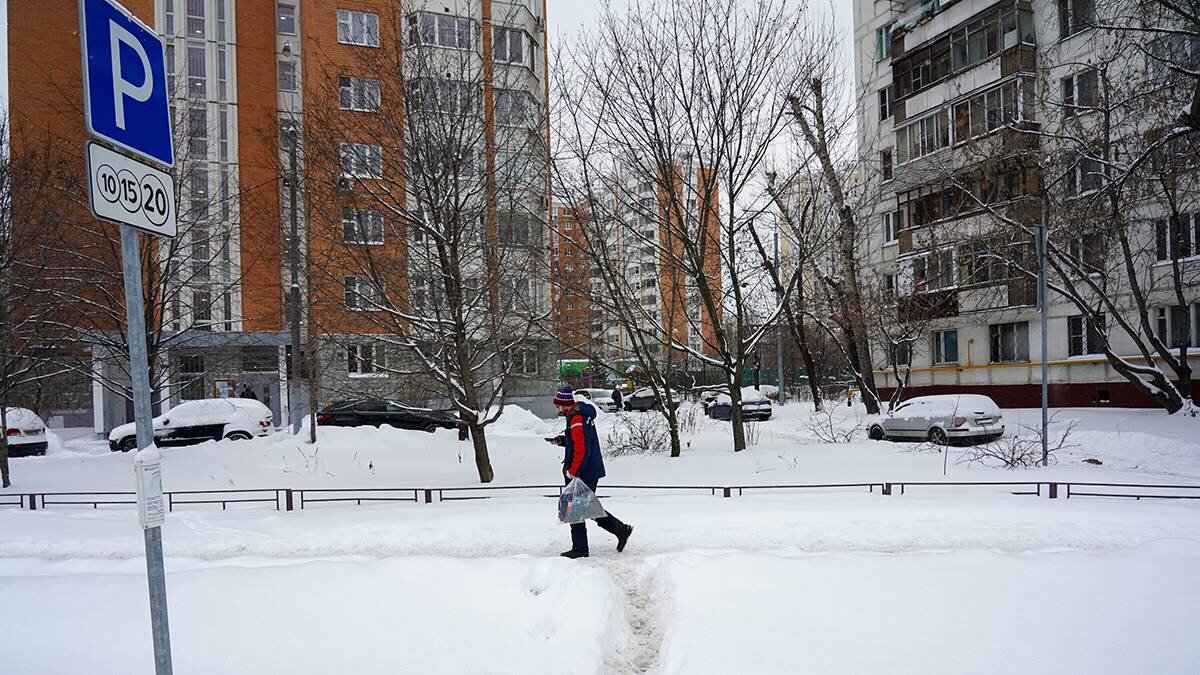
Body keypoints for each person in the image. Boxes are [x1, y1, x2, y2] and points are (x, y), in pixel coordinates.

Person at [550, 385, 633, 559]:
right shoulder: (578, 415)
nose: (557, 409)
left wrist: (573, 471)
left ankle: (581, 548)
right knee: (583, 507)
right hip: (588, 469)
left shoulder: (577, 418)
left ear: (565, 404)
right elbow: (577, 441)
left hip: (583, 471)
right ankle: (619, 529)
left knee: (576, 508)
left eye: (558, 406)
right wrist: (562, 441)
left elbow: (582, 448)